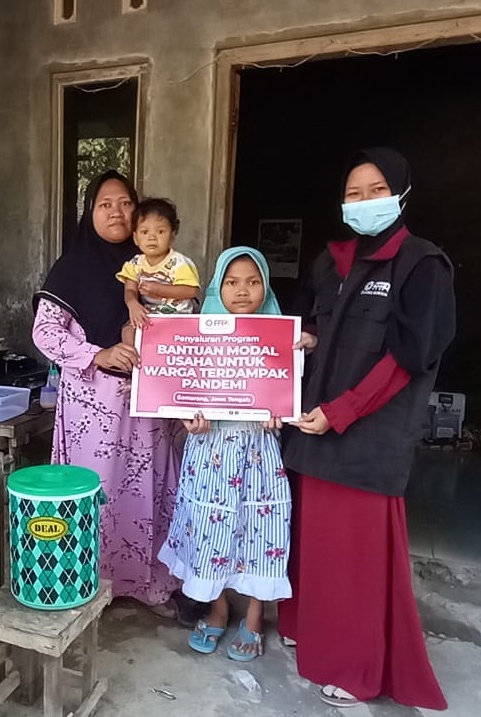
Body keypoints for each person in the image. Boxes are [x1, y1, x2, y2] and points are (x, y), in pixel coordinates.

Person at [280, 147, 454, 710]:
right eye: (353, 193)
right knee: (312, 548)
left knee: (355, 562)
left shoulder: (422, 265)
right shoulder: (330, 262)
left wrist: (344, 411)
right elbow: (318, 327)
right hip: (314, 427)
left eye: (375, 190)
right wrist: (306, 339)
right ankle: (310, 632)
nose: (363, 202)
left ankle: (357, 670)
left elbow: (410, 358)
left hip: (365, 438)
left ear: (401, 194)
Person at [32, 171, 182, 612]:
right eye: (105, 204)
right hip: (94, 406)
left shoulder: (159, 266)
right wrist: (96, 354)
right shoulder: (72, 268)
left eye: (125, 203)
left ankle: (149, 585)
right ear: (89, 213)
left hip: (148, 403)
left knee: (148, 488)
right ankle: (95, 583)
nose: (117, 212)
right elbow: (44, 333)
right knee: (100, 493)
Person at [157, 247, 292, 662]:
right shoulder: (199, 334)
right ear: (217, 287)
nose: (243, 290)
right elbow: (184, 392)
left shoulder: (280, 337)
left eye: (253, 281)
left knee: (258, 528)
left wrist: (280, 413)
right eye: (232, 282)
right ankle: (217, 608)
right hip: (211, 449)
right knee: (209, 529)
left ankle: (253, 616)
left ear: (265, 286)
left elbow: (287, 391)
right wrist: (189, 420)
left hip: (258, 451)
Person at [117, 198, 201, 346]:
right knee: (128, 332)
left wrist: (159, 289)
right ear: (136, 238)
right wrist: (133, 305)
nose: (152, 237)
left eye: (160, 231)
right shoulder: (135, 264)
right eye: (144, 232)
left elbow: (191, 291)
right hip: (149, 314)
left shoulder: (179, 263)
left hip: (179, 316)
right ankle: (139, 366)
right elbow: (130, 289)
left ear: (172, 235)